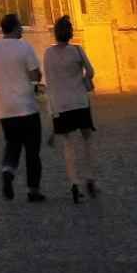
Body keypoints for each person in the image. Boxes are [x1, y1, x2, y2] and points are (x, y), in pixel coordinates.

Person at [0, 12, 45, 202]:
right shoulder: (24, 47)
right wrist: (35, 79)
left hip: (5, 109)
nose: (22, 29)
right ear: (14, 27)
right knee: (32, 151)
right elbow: (35, 75)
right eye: (20, 25)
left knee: (12, 145)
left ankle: (8, 172)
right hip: (26, 107)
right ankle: (33, 190)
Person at [43, 15, 98, 202]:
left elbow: (49, 82)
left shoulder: (48, 54)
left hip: (61, 104)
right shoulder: (77, 50)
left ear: (55, 33)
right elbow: (91, 72)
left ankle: (74, 183)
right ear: (70, 33)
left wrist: (52, 110)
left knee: (68, 144)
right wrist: (82, 80)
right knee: (87, 139)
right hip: (79, 101)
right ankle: (90, 176)